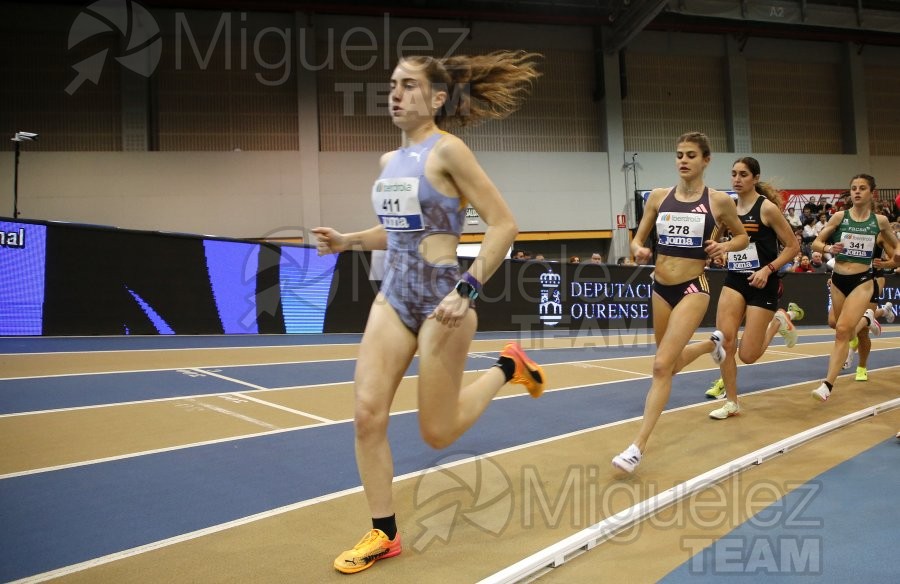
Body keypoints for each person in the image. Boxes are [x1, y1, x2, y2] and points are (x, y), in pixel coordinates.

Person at [313, 51, 546, 574]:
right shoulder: (387, 164)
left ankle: (508, 366)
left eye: (409, 86)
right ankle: (384, 532)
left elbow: (504, 225)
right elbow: (395, 232)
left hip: (446, 303)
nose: (395, 93)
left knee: (436, 434)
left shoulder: (450, 152)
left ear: (437, 98)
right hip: (394, 298)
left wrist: (466, 289)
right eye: (393, 84)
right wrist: (349, 240)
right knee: (366, 415)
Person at [611, 131, 748, 473]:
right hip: (660, 287)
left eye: (690, 155)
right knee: (668, 365)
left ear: (706, 160)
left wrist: (724, 247)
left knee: (660, 367)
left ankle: (637, 447)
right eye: (679, 155)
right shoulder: (658, 197)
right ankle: (709, 345)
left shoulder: (718, 201)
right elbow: (638, 238)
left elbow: (743, 235)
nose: (683, 160)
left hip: (693, 288)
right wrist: (638, 249)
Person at [702, 157, 803, 419]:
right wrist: (720, 250)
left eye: (743, 174)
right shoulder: (728, 209)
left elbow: (793, 248)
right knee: (725, 341)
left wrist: (768, 269)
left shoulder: (766, 208)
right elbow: (715, 242)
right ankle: (732, 402)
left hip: (763, 283)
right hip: (735, 280)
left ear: (755, 178)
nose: (737, 179)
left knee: (748, 355)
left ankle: (779, 321)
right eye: (733, 173)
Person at [810, 174, 900, 401]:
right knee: (841, 328)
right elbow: (816, 243)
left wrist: (895, 257)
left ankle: (827, 385)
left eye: (862, 188)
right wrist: (830, 248)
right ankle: (871, 319)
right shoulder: (840, 217)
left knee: (842, 331)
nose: (857, 192)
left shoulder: (879, 221)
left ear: (872, 193)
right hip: (839, 280)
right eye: (853, 188)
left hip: (863, 281)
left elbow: (896, 247)